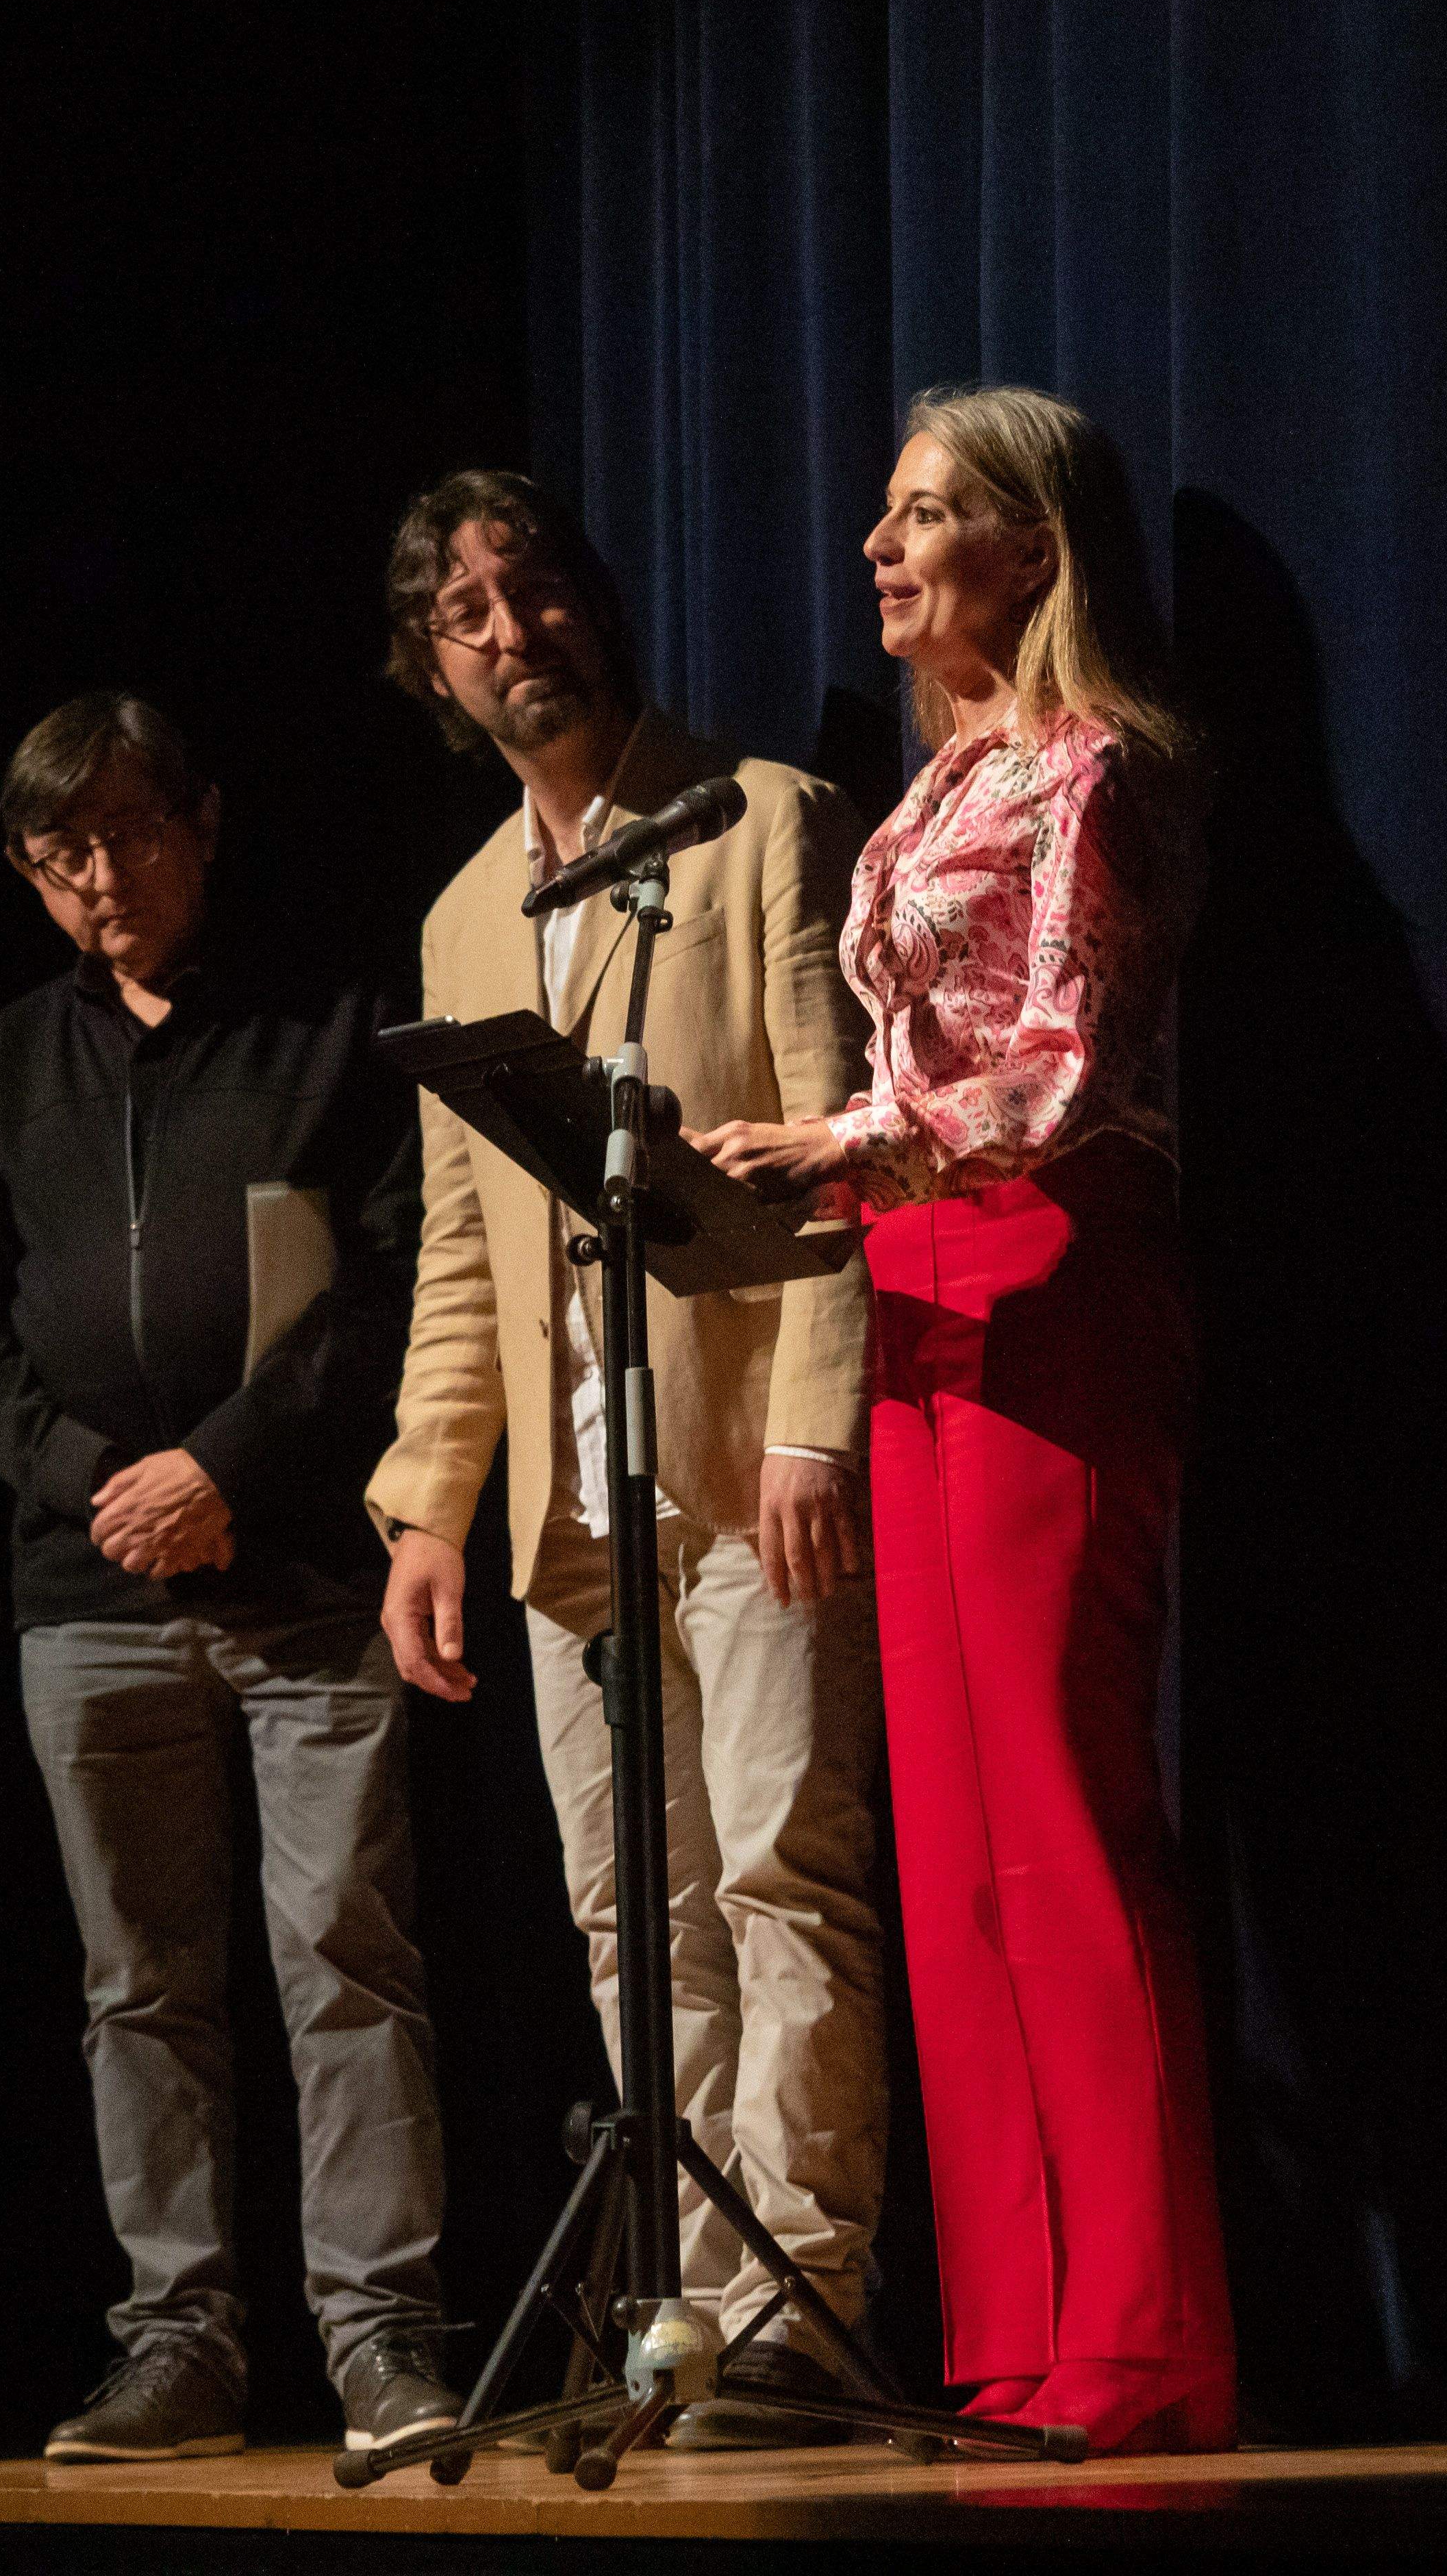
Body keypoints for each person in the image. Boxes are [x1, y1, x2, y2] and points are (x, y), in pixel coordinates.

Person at [694, 384, 1235, 2456]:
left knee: (1063, 1816)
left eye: (927, 516)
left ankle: (1148, 2333)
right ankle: (1018, 2329)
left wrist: (836, 1143)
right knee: (953, 1850)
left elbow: (1068, 1065)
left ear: (1035, 544)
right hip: (914, 1296)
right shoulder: (925, 795)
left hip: (1051, 1269)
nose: (880, 550)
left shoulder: (1099, 776)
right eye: (884, 516)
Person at [362, 472, 893, 2450]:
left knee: (782, 1869)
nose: (515, 631)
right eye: (469, 614)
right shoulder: (458, 914)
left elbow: (836, 1145)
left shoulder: (757, 821)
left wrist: (813, 1417)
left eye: (538, 589)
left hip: (747, 1460)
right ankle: (680, 2309)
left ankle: (800, 2312)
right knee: (626, 1913)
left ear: (598, 605)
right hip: (568, 1508)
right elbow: (458, 1262)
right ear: (433, 668)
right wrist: (429, 1498)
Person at [0, 690, 464, 2463]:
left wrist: (224, 1468)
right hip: (89, 1600)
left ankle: (382, 2341)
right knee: (140, 1986)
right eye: (61, 853)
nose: (101, 876)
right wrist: (95, 1487)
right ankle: (183, 2348)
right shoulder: (13, 1060)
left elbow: (382, 1288)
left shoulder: (325, 1031)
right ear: (28, 871)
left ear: (204, 825)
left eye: (132, 832)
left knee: (343, 1960)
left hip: (297, 1567)